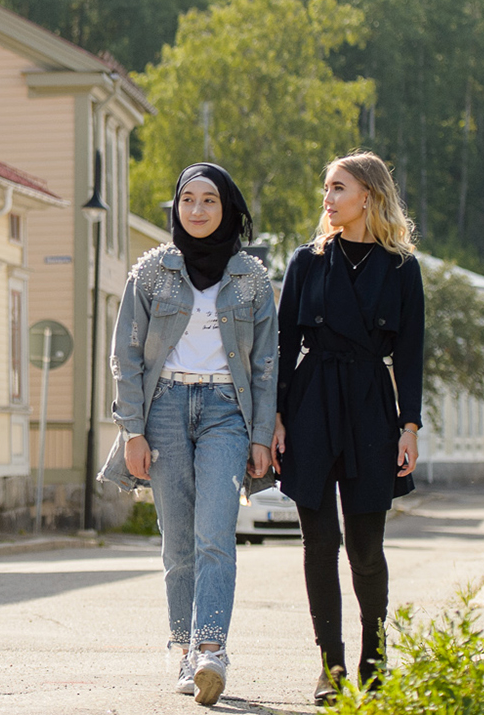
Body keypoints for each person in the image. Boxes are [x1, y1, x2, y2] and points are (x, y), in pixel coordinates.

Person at [109, 163, 277, 706]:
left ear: (228, 208)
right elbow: (126, 356)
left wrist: (259, 434)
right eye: (188, 200)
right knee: (177, 540)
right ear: (176, 208)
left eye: (210, 200)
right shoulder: (152, 273)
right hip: (163, 411)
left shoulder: (251, 279)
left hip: (227, 410)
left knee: (214, 533)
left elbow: (267, 365)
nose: (198, 210)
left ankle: (212, 650)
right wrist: (132, 429)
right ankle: (182, 648)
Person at [272, 151, 424, 703]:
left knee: (365, 548)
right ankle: (330, 668)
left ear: (369, 195)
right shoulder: (306, 262)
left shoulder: (402, 267)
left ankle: (375, 661)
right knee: (319, 543)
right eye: (327, 189)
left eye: (339, 188)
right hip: (312, 403)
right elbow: (285, 346)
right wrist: (278, 417)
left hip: (369, 406)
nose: (328, 199)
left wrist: (410, 425)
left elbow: (410, 352)